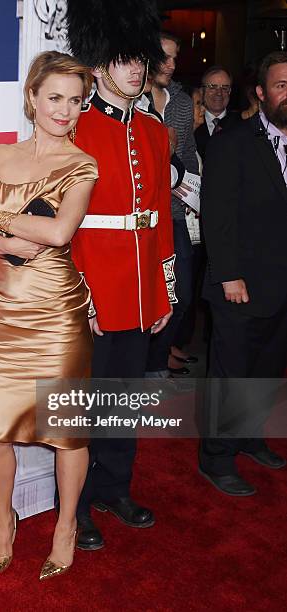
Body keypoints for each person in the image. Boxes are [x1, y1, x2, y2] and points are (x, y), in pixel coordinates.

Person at [0, 51, 98, 580]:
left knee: (66, 430)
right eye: (55, 98)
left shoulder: (82, 164)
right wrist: (16, 231)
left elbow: (61, 233)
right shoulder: (0, 155)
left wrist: (0, 217)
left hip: (60, 314)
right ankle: (4, 523)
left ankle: (65, 527)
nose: (66, 111)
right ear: (32, 99)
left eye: (76, 101)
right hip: (11, 311)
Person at [66, 0, 176, 551]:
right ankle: (79, 507)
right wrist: (80, 295)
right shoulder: (77, 131)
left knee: (126, 399)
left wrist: (165, 293)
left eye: (142, 60)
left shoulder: (157, 135)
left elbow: (159, 220)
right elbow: (67, 228)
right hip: (94, 292)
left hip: (139, 294)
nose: (137, 70)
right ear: (102, 65)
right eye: (125, 60)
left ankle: (115, 487)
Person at [199, 51, 287, 496]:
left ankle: (250, 436)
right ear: (261, 92)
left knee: (266, 371)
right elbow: (217, 215)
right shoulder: (232, 140)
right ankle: (216, 457)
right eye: (281, 85)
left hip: (281, 285)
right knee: (230, 375)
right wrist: (229, 274)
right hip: (239, 284)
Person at [146, 32, 200, 377]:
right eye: (165, 56)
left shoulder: (180, 103)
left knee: (180, 295)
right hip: (137, 216)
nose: (172, 64)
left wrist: (189, 186)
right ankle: (144, 365)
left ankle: (158, 359)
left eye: (175, 57)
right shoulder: (130, 103)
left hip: (175, 213)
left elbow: (189, 158)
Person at [195, 65, 240, 161]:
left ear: (230, 91)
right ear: (202, 91)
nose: (219, 93)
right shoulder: (192, 124)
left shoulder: (241, 124)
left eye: (224, 88)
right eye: (212, 87)